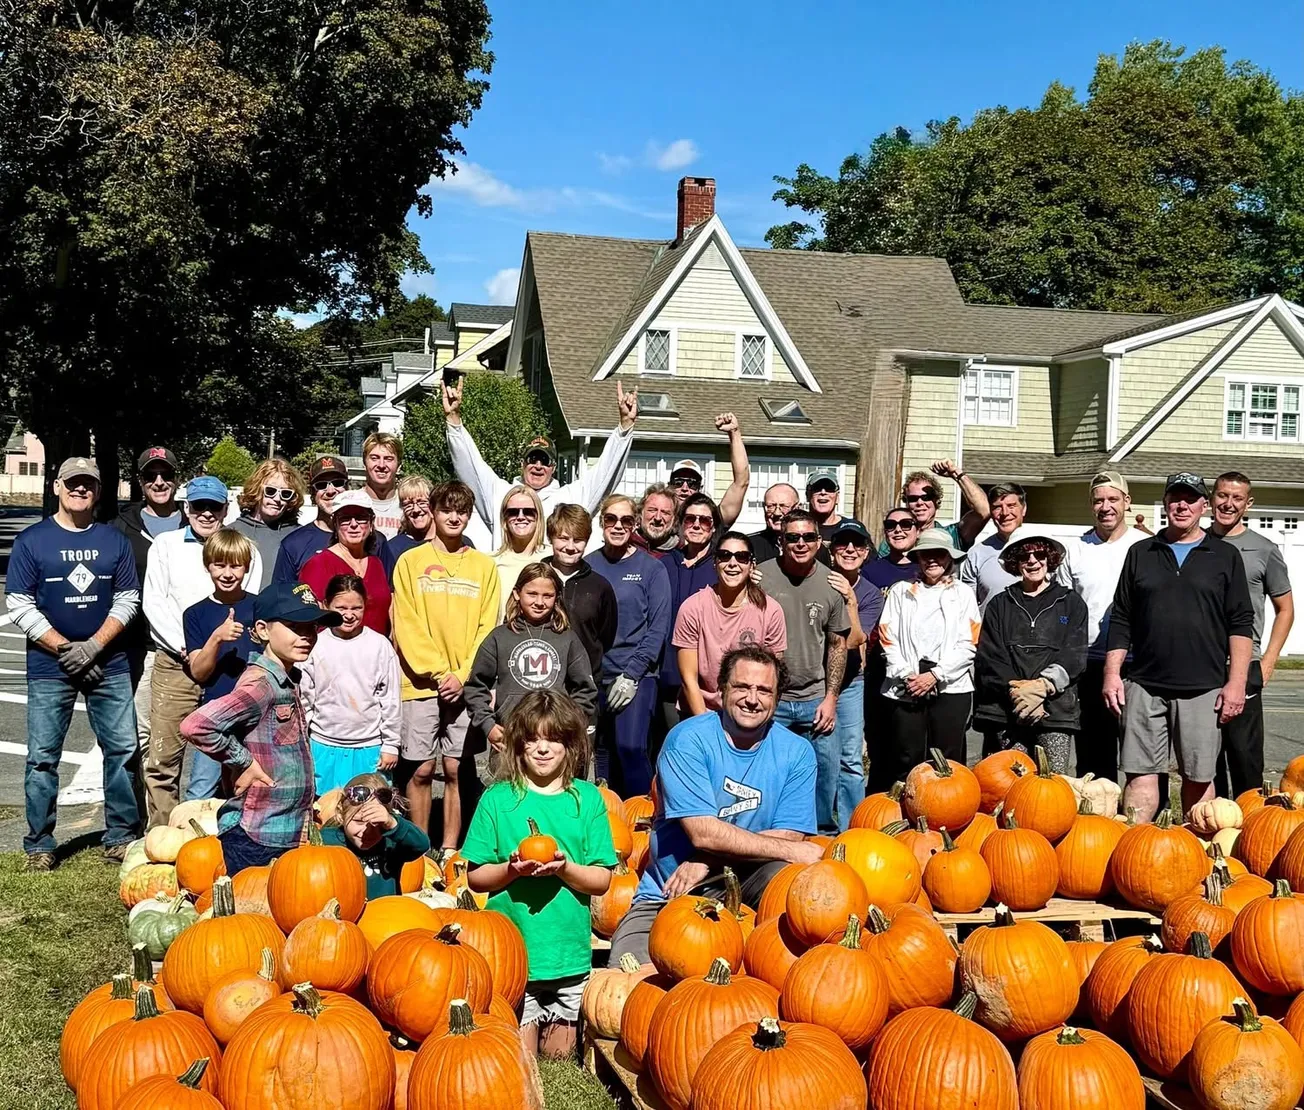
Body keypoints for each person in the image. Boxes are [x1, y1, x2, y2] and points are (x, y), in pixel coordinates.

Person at [608, 646, 823, 965]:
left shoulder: (797, 752)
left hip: (748, 884)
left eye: (764, 690)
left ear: (777, 699)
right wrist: (706, 851)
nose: (753, 699)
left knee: (790, 878)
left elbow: (790, 836)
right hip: (672, 894)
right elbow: (703, 833)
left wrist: (708, 858)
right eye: (742, 687)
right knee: (627, 980)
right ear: (722, 690)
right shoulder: (688, 740)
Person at [463, 691, 617, 1059]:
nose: (543, 749)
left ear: (571, 745)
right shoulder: (498, 800)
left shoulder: (587, 799)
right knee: (521, 1058)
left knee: (560, 1059)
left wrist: (564, 869)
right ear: (517, 745)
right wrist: (511, 870)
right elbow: (476, 877)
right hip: (515, 960)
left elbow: (602, 880)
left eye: (553, 739)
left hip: (568, 957)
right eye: (532, 739)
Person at [8, 456, 142, 870]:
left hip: (110, 663)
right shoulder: (32, 541)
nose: (80, 490)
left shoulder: (113, 540)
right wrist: (66, 648)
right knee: (43, 756)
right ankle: (40, 844)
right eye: (72, 483)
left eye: (88, 484)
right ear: (57, 487)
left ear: (98, 491)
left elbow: (127, 598)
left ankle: (121, 835)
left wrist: (95, 646)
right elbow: (18, 603)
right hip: (50, 667)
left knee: (122, 749)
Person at [1104, 473, 1255, 823]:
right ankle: (1134, 851)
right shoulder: (1142, 553)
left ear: (1204, 506)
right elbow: (1122, 618)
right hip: (1143, 684)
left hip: (1204, 688)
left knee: (1199, 778)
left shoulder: (1224, 555)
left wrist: (1235, 684)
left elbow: (1240, 624)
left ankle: (1198, 855)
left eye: (1191, 499)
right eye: (1175, 498)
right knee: (1139, 774)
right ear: (1166, 504)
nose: (1182, 505)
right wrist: (1112, 674)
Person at [180, 582, 342, 872]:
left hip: (284, 831)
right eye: (295, 626)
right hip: (258, 836)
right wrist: (243, 762)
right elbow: (197, 724)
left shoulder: (286, 679)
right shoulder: (262, 684)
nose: (306, 636)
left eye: (313, 627)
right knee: (255, 909)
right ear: (264, 630)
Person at [391, 480, 500, 856]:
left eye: (462, 511)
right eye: (446, 510)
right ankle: (419, 850)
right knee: (419, 770)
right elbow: (406, 623)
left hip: (466, 685)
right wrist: (439, 673)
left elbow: (488, 626)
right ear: (433, 514)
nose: (454, 517)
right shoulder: (410, 562)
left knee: (456, 769)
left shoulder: (483, 567)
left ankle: (451, 849)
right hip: (420, 684)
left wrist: (464, 675)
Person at [143, 476, 260, 825]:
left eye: (214, 506)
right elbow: (154, 602)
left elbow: (246, 607)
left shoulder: (245, 548)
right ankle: (166, 834)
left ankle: (229, 830)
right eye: (199, 506)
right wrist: (187, 648)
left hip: (232, 670)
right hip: (178, 658)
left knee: (233, 760)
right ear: (186, 508)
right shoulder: (166, 544)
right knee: (165, 755)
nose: (206, 513)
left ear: (226, 509)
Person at [444, 377, 638, 549]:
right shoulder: (499, 494)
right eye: (532, 459)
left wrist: (625, 427)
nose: (538, 465)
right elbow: (470, 467)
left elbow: (605, 474)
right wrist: (453, 420)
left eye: (544, 460)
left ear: (553, 467)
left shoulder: (570, 498)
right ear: (522, 463)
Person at [757, 507, 849, 837]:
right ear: (781, 541)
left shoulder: (831, 584)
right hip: (772, 699)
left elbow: (838, 645)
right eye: (792, 537)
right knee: (768, 769)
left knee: (825, 769)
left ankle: (822, 833)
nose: (800, 543)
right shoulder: (761, 578)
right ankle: (770, 834)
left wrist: (831, 699)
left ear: (819, 541)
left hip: (814, 697)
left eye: (808, 537)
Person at [974, 530, 1089, 773]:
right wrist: (1019, 691)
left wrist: (1042, 687)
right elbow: (990, 656)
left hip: (1055, 710)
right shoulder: (1000, 604)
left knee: (1052, 784)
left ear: (1049, 559)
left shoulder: (1071, 602)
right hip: (1008, 709)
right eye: (1024, 556)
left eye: (1039, 555)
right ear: (1015, 563)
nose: (1033, 561)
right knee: (1008, 784)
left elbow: (1074, 655)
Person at [1209, 472, 1294, 798]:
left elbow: (1285, 609)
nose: (1228, 504)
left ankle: (1247, 832)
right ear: (1211, 499)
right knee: (1206, 761)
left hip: (1245, 666)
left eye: (1237, 498)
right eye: (1222, 496)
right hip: (1203, 665)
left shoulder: (1263, 549)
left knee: (1244, 759)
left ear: (1248, 504)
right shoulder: (1198, 544)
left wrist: (1268, 662)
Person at [1062, 471, 1150, 781]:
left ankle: (1148, 820)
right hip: (1090, 663)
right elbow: (1064, 610)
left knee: (1143, 749)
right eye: (1098, 500)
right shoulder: (1075, 550)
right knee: (1093, 752)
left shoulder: (1146, 546)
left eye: (1113, 499)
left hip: (1138, 664)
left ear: (1127, 501)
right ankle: (1098, 817)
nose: (1106, 506)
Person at [876, 528, 981, 786]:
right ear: (917, 558)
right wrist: (908, 675)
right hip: (906, 686)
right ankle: (906, 816)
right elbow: (888, 637)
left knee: (947, 760)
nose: (932, 560)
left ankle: (947, 817)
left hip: (951, 688)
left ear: (949, 558)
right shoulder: (901, 592)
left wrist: (935, 675)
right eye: (925, 554)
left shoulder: (963, 594)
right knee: (906, 757)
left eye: (939, 554)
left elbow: (969, 643)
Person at [465, 563, 598, 752]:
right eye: (532, 594)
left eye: (548, 596)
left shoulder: (568, 639)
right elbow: (475, 688)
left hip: (554, 740)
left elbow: (586, 690)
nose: (539, 602)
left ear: (556, 598)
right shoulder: (499, 637)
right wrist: (488, 725)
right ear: (517, 594)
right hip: (509, 738)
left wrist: (568, 724)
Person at [590, 493, 672, 797]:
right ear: (601, 522)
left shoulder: (651, 569)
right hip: (598, 675)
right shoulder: (589, 565)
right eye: (611, 519)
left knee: (631, 746)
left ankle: (644, 814)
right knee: (601, 750)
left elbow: (658, 627)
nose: (618, 525)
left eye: (626, 520)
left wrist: (632, 674)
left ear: (635, 524)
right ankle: (608, 817)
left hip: (636, 675)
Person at [300, 575, 402, 795]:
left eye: (357, 607)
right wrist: (302, 741)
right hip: (323, 746)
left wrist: (391, 745)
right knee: (325, 812)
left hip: (369, 748)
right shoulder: (316, 645)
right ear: (325, 605)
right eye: (341, 607)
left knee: (368, 813)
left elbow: (391, 701)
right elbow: (305, 699)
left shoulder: (380, 646)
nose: (349, 614)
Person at [113, 447, 184, 757]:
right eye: (150, 475)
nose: (159, 481)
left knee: (176, 738)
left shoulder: (196, 522)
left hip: (183, 647)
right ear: (140, 481)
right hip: (136, 646)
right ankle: (139, 805)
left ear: (176, 479)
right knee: (138, 736)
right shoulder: (120, 528)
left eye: (166, 474)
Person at [182, 529, 259, 801]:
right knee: (202, 788)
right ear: (207, 566)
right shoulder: (194, 614)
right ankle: (195, 838)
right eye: (219, 564)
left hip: (255, 713)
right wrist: (216, 638)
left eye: (236, 565)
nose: (227, 573)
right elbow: (199, 672)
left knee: (251, 785)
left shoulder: (259, 606)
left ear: (247, 567)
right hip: (215, 714)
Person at [674, 532, 786, 716]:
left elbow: (772, 677)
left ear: (752, 566)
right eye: (725, 556)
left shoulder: (771, 610)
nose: (732, 563)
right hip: (700, 709)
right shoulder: (692, 607)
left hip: (749, 710)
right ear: (715, 563)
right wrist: (704, 726)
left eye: (741, 557)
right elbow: (689, 679)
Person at [826, 520, 882, 830]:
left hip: (850, 681)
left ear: (866, 551)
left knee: (849, 757)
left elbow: (855, 639)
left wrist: (849, 598)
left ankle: (851, 827)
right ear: (832, 549)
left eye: (858, 544)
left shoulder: (871, 594)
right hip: (813, 680)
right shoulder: (817, 577)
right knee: (817, 756)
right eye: (843, 543)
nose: (850, 549)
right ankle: (817, 824)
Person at [656, 493, 723, 743]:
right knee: (666, 744)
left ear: (713, 526)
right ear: (681, 523)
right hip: (667, 675)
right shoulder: (664, 564)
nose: (696, 525)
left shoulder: (722, 566)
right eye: (690, 519)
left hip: (708, 679)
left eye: (704, 521)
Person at [543, 504, 618, 689]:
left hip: (584, 687)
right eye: (563, 538)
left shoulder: (600, 586)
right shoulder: (535, 579)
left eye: (578, 540)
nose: (570, 547)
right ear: (550, 538)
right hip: (540, 683)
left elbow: (605, 637)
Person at [320, 774, 430, 897]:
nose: (367, 832)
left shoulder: (391, 844)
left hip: (384, 912)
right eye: (359, 822)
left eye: (377, 825)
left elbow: (422, 845)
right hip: (343, 913)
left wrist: (392, 823)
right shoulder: (327, 841)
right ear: (341, 815)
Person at [299, 491, 391, 636]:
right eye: (345, 518)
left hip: (378, 654)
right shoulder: (318, 564)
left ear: (371, 523)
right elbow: (310, 620)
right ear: (335, 523)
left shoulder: (377, 563)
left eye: (361, 518)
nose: (353, 524)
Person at [877, 460, 991, 556]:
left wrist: (956, 474)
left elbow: (983, 510)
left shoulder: (952, 535)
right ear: (906, 502)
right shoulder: (896, 539)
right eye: (913, 499)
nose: (920, 503)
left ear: (936, 501)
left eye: (926, 497)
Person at [274, 455, 349, 582]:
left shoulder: (370, 539)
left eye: (337, 483)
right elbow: (281, 597)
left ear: (347, 487)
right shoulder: (294, 544)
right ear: (313, 493)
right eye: (321, 485)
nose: (330, 490)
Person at [229, 458, 306, 581]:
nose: (277, 498)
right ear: (256, 489)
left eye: (285, 494)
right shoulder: (232, 532)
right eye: (271, 491)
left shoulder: (300, 536)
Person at [959, 482, 1029, 610]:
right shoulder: (977, 554)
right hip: (988, 628)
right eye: (997, 507)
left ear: (1023, 509)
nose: (1005, 513)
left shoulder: (1041, 550)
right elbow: (968, 607)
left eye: (1011, 505)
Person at [491, 485, 551, 622]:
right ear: (504, 518)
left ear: (539, 516)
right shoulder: (491, 562)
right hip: (501, 640)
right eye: (512, 512)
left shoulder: (552, 558)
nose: (520, 517)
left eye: (528, 512)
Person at [360, 431, 405, 539]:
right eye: (374, 458)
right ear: (365, 462)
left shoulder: (409, 504)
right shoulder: (353, 502)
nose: (381, 465)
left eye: (388, 459)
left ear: (399, 465)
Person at [865, 509, 920, 592]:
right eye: (890, 525)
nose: (898, 530)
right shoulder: (870, 571)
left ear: (918, 531)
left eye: (906, 524)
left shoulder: (927, 569)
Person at [748, 482, 798, 564]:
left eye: (783, 506)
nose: (777, 513)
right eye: (771, 506)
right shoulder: (748, 544)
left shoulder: (808, 544)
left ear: (797, 508)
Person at [633, 484, 680, 557]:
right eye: (652, 510)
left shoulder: (682, 553)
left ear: (674, 519)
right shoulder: (626, 545)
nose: (658, 518)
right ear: (641, 513)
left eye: (665, 513)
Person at [806, 470, 846, 547]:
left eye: (829, 488)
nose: (823, 492)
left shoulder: (852, 528)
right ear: (808, 495)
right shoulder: (797, 526)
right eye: (817, 488)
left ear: (837, 497)